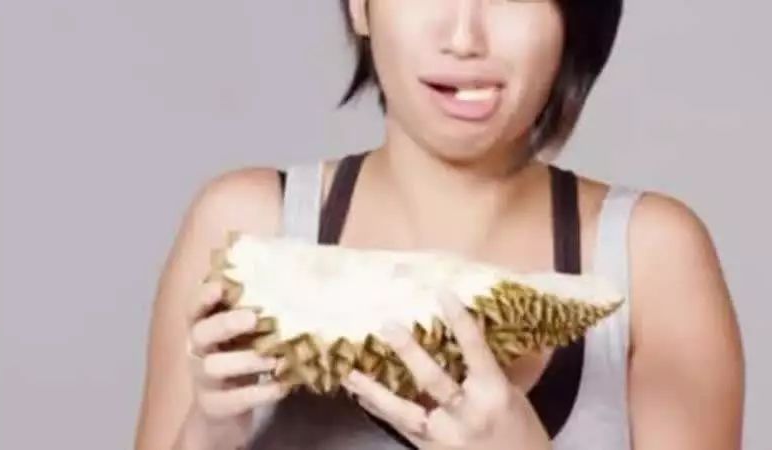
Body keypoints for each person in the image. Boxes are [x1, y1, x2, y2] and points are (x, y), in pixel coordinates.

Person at [134, 0, 744, 449]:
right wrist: (209, 435)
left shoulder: (651, 256)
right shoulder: (246, 223)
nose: (464, 36)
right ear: (360, 7)